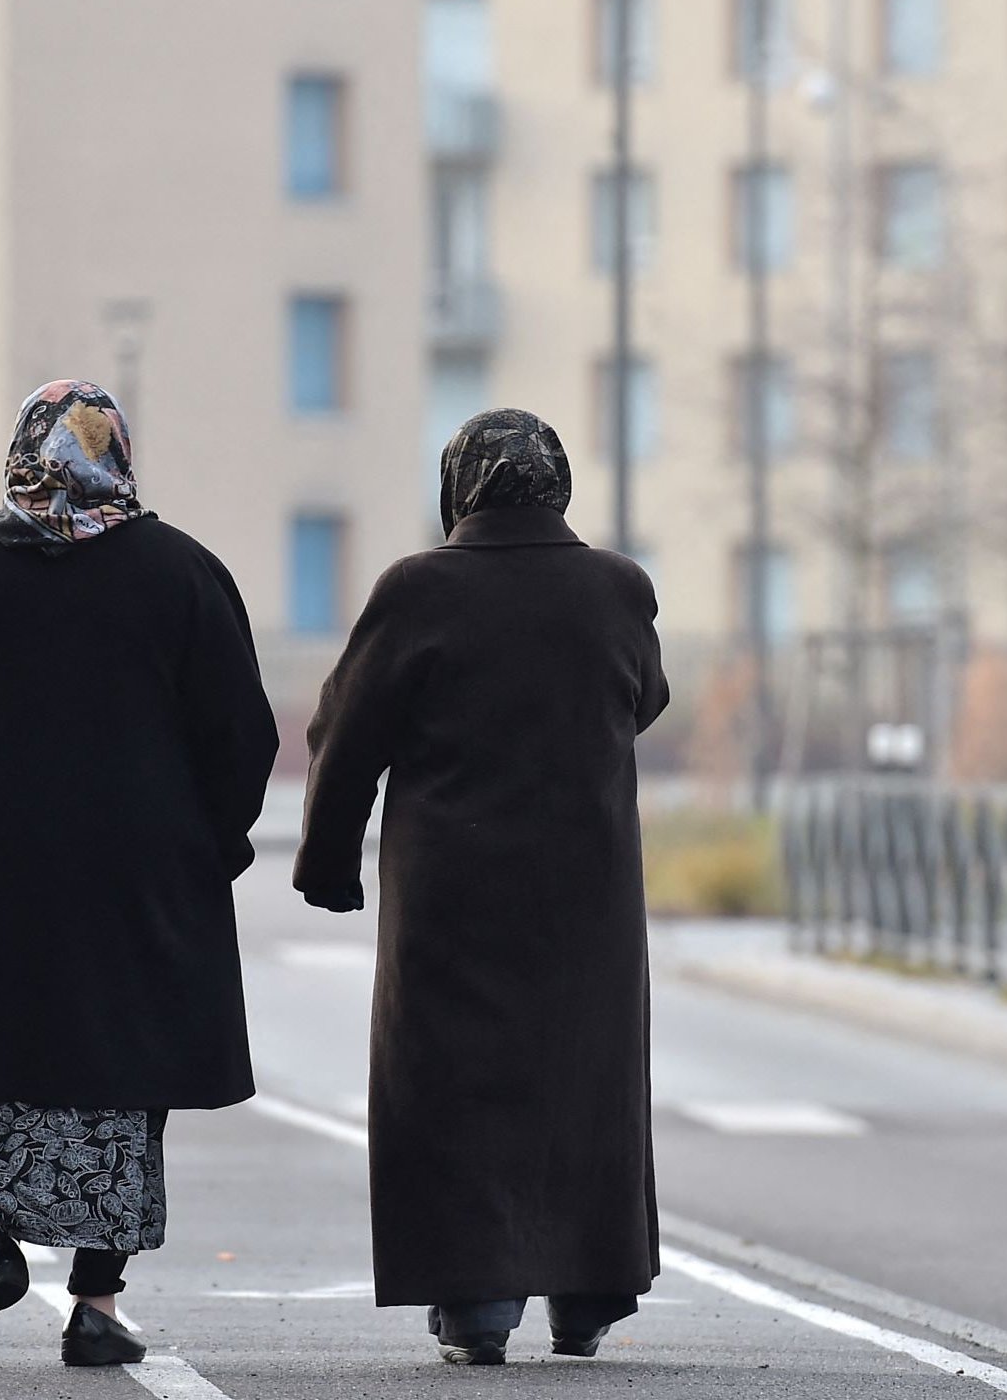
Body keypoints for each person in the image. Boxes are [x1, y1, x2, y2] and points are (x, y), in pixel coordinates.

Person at [0, 380, 278, 1368]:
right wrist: (210, 842)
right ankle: (98, 1304)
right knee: (118, 1086)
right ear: (118, 451)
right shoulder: (182, 576)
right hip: (133, 884)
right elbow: (243, 738)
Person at [293, 407, 669, 1366]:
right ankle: (586, 1297)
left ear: (460, 486)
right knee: (585, 1079)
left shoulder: (420, 590)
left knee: (454, 1086)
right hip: (589, 894)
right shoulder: (618, 589)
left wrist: (327, 864)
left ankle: (477, 1302)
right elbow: (647, 698)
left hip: (453, 891)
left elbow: (347, 735)